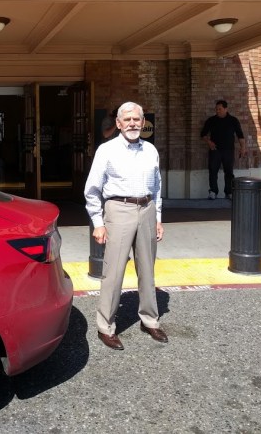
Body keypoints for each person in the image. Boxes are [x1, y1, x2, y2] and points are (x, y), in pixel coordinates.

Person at [84, 101, 166, 351]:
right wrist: (97, 222)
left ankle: (149, 320)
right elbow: (92, 189)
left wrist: (158, 217)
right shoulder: (106, 151)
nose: (132, 123)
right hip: (118, 210)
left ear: (143, 122)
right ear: (118, 124)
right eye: (127, 119)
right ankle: (105, 326)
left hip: (147, 209)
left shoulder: (151, 150)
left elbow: (157, 186)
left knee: (147, 270)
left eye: (137, 119)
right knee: (114, 271)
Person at [200, 100, 247, 200]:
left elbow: (240, 135)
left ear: (226, 109)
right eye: (216, 109)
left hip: (229, 150)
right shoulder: (211, 120)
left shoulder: (233, 120)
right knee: (213, 171)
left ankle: (229, 192)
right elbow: (203, 134)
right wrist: (209, 142)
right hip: (215, 150)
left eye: (220, 109)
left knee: (229, 172)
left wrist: (243, 148)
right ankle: (213, 191)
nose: (217, 111)